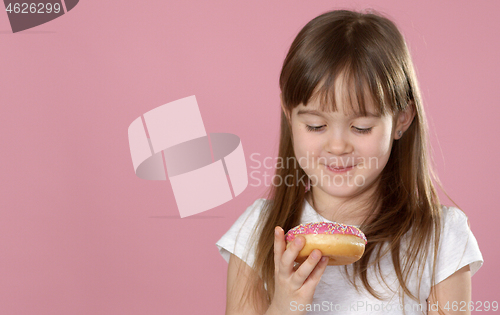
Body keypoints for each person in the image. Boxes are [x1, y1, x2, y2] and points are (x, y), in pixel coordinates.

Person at [216, 9, 483, 315]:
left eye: (361, 128)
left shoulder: (440, 237)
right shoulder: (259, 232)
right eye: (316, 126)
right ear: (289, 116)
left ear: (401, 119)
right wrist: (285, 306)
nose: (338, 146)